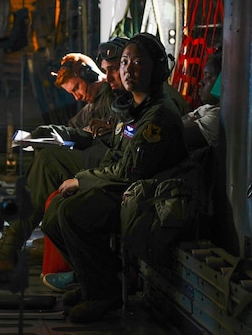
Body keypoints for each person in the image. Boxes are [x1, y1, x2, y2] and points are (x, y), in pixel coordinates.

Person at [41, 32, 188, 323]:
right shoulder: (133, 111)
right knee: (55, 213)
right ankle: (94, 282)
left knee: (71, 213)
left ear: (156, 68)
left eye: (138, 63)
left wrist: (82, 180)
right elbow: (117, 158)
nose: (127, 70)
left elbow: (130, 171)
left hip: (147, 195)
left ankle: (103, 293)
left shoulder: (157, 116)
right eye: (124, 62)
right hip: (127, 187)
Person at [0, 38, 129, 277]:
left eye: (113, 71)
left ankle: (10, 246)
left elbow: (121, 146)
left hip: (111, 168)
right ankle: (29, 242)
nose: (109, 78)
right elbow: (84, 132)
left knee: (48, 160)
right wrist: (54, 133)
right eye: (108, 71)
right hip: (105, 161)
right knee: (46, 157)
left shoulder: (121, 99)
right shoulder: (107, 102)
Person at [182, 51, 222, 150]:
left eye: (208, 77)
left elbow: (177, 132)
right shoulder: (207, 108)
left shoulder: (218, 116)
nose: (201, 82)